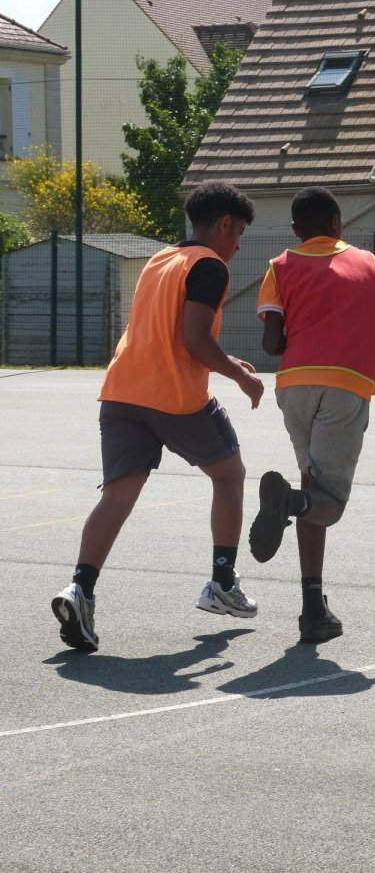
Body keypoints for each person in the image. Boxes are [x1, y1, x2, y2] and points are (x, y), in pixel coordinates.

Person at [51, 181, 264, 652]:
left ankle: (79, 589)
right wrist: (241, 377)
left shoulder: (161, 259)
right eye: (239, 233)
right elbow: (193, 340)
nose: (238, 245)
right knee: (230, 473)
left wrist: (227, 361)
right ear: (224, 224)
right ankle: (222, 583)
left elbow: (165, 332)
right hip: (174, 398)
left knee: (116, 498)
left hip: (122, 392)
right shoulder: (209, 265)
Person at [248, 186, 375, 643]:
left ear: (296, 230)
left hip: (294, 386)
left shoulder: (280, 266)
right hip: (346, 384)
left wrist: (302, 336)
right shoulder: (367, 263)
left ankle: (313, 610)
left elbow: (271, 343)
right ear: (338, 224)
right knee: (329, 504)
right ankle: (289, 504)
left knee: (312, 487)